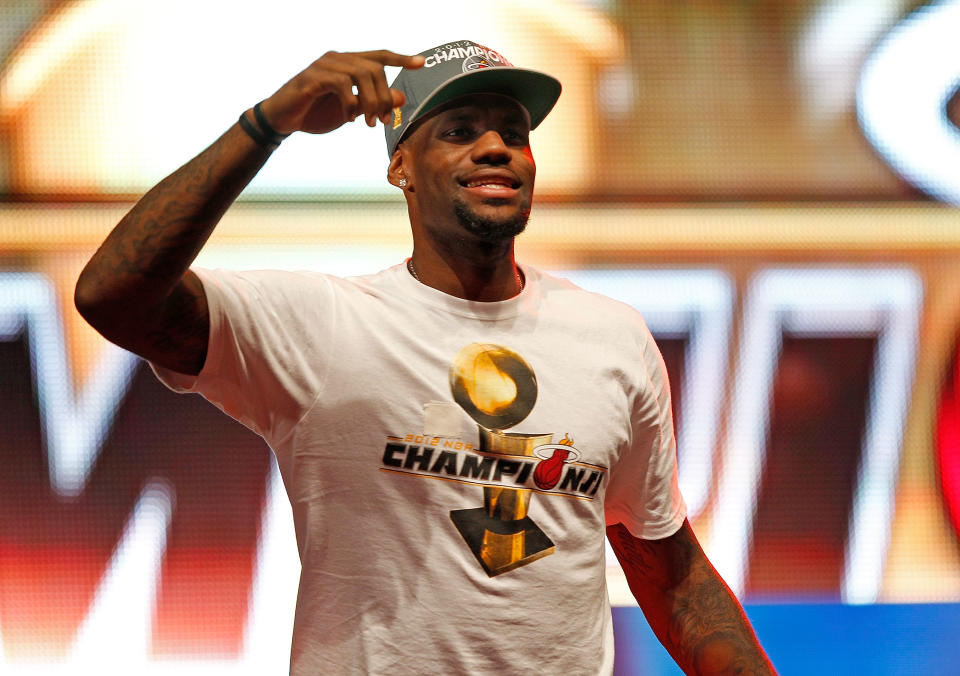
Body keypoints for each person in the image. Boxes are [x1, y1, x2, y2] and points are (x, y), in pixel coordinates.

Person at [75, 40, 776, 675]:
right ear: (400, 166)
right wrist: (268, 124)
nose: (497, 147)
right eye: (461, 131)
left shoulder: (612, 338)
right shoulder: (323, 325)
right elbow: (114, 296)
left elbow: (675, 579)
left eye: (515, 133)